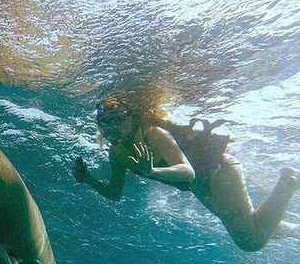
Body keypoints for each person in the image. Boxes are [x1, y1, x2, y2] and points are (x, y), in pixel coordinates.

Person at [74, 95, 299, 251]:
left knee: (250, 241)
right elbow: (115, 193)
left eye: (116, 121)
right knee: (252, 228)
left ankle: (288, 179)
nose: (111, 129)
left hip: (217, 172)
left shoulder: (153, 133)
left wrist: (152, 170)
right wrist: (88, 180)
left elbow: (187, 172)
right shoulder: (117, 153)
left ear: (131, 117)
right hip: (200, 185)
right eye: (105, 124)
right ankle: (295, 230)